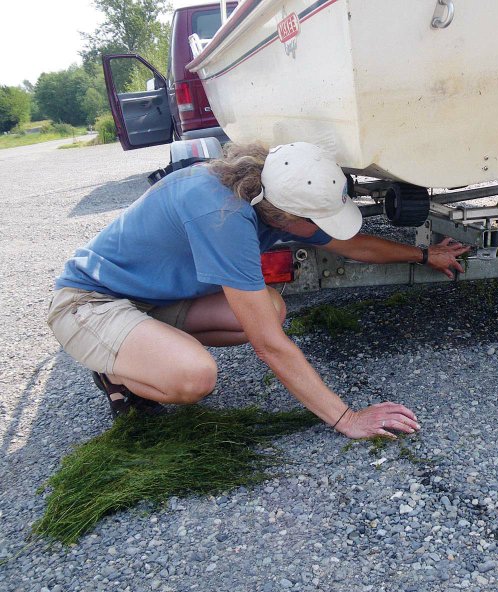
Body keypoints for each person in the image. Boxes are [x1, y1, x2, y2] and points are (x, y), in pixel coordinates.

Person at [47, 142, 469, 439]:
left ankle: (146, 346)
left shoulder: (266, 190)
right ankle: (115, 371)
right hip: (89, 302)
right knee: (194, 378)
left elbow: (352, 244)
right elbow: (269, 345)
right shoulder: (223, 215)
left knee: (270, 306)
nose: (326, 228)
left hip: (150, 300)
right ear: (285, 215)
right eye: (321, 220)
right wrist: (347, 418)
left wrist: (422, 255)